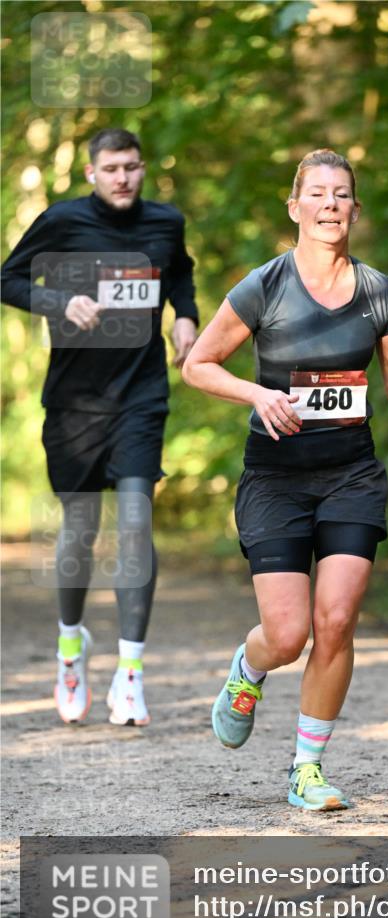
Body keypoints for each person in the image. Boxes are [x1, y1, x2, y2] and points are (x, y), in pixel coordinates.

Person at [182, 148, 388, 811]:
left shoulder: (380, 292)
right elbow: (197, 365)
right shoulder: (264, 286)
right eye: (316, 193)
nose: (329, 204)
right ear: (295, 208)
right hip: (275, 482)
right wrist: (255, 397)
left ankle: (306, 769)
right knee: (287, 635)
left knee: (338, 620)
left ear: (354, 208)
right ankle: (249, 667)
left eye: (341, 194)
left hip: (351, 475)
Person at [1, 128, 198, 727]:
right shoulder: (62, 222)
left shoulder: (165, 223)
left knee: (136, 526)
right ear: (91, 173)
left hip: (141, 397)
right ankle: (70, 646)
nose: (122, 178)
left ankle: (131, 675)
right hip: (74, 404)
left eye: (132, 167)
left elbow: (180, 276)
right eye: (111, 168)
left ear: (144, 169)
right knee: (79, 533)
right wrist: (58, 303)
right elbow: (6, 278)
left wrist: (185, 319)